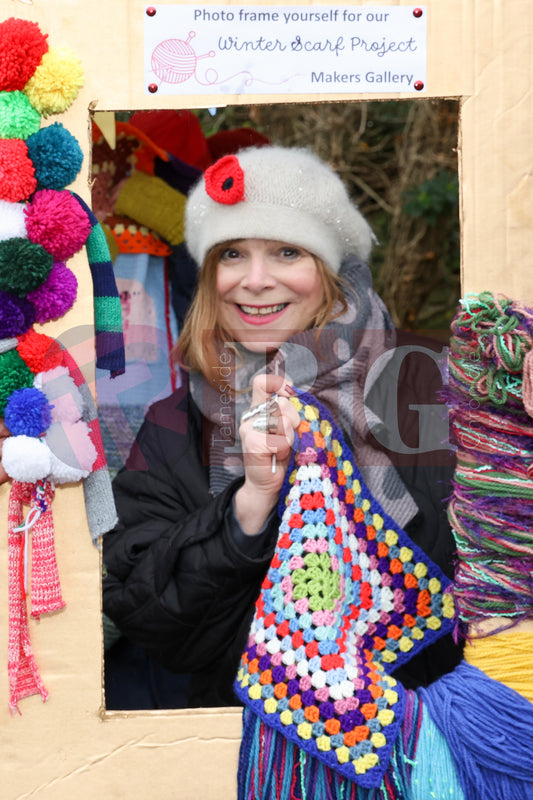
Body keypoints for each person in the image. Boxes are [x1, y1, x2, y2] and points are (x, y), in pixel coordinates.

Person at [102, 145, 461, 711]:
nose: (256, 280)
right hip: (244, 759)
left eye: (288, 251)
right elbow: (147, 617)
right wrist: (249, 505)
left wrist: (333, 460)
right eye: (233, 255)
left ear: (330, 270)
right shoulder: (173, 422)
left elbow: (484, 571)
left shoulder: (433, 384)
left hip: (421, 751)